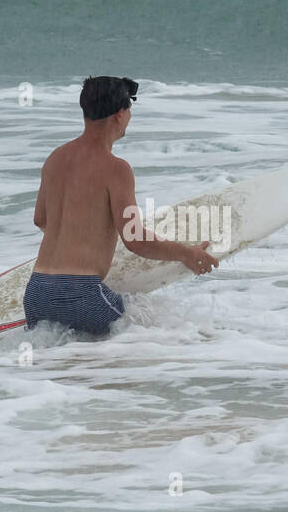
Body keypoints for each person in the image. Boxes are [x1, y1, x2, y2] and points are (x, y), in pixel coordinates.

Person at [24, 76, 219, 335]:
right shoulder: (116, 168)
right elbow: (135, 240)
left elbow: (41, 219)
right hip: (82, 295)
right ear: (120, 114)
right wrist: (187, 254)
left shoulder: (55, 159)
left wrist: (80, 239)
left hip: (36, 292)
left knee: (67, 367)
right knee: (163, 338)